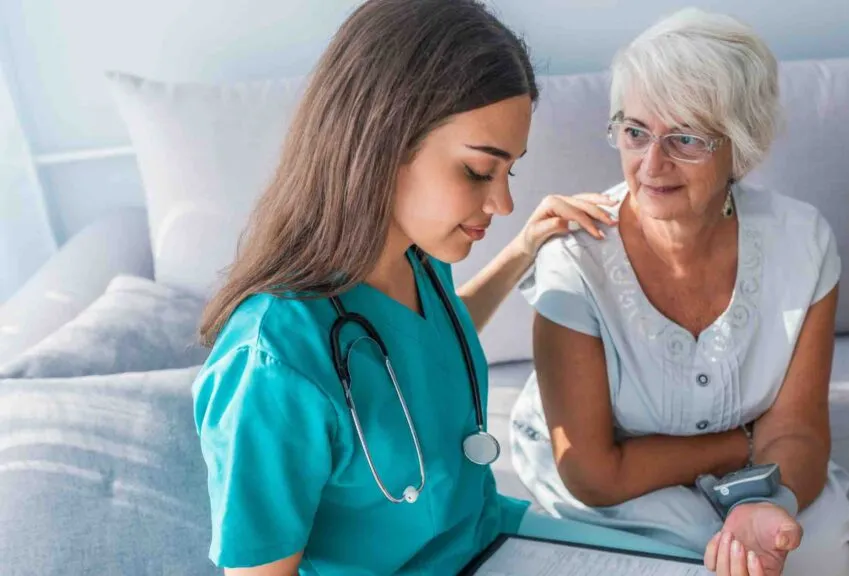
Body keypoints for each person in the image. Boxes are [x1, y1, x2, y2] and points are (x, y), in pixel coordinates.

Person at [191, 1, 701, 574]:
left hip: (493, 538)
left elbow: (427, 349)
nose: (503, 203)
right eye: (480, 170)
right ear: (383, 140)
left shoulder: (418, 260)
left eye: (510, 171)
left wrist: (523, 249)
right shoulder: (271, 362)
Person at [509, 8, 849, 576]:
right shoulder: (574, 258)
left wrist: (769, 499)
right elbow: (595, 473)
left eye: (686, 138)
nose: (652, 164)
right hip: (612, 478)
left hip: (758, 469)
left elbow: (797, 429)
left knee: (809, 556)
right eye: (635, 131)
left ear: (739, 148)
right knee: (692, 556)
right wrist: (745, 444)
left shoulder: (803, 242)